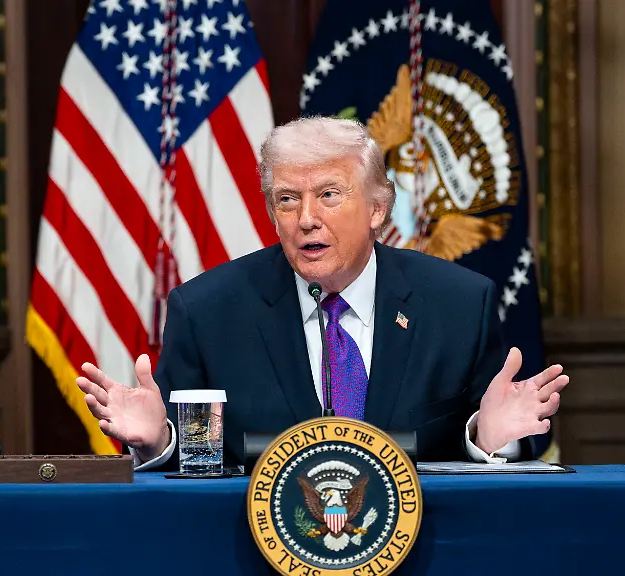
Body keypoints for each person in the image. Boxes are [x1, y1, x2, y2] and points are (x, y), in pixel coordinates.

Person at [76, 116, 567, 469]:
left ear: (377, 209)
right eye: (287, 199)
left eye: (329, 195)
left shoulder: (458, 305)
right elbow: (187, 460)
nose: (306, 218)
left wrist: (490, 438)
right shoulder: (207, 312)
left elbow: (494, 439)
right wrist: (156, 440)